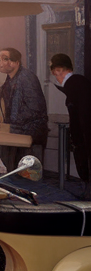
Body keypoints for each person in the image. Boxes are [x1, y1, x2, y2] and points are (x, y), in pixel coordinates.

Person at [0, 47, 48, 171]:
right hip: (17, 129)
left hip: (30, 131)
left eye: (5, 59)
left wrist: (12, 124)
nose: (0, 63)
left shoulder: (27, 78)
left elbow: (36, 109)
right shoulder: (10, 79)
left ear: (16, 63)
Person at [51, 53, 90, 183]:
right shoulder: (79, 82)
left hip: (84, 136)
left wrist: (79, 138)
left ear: (59, 71)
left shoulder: (73, 84)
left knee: (85, 166)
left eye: (56, 73)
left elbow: (82, 115)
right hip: (84, 134)